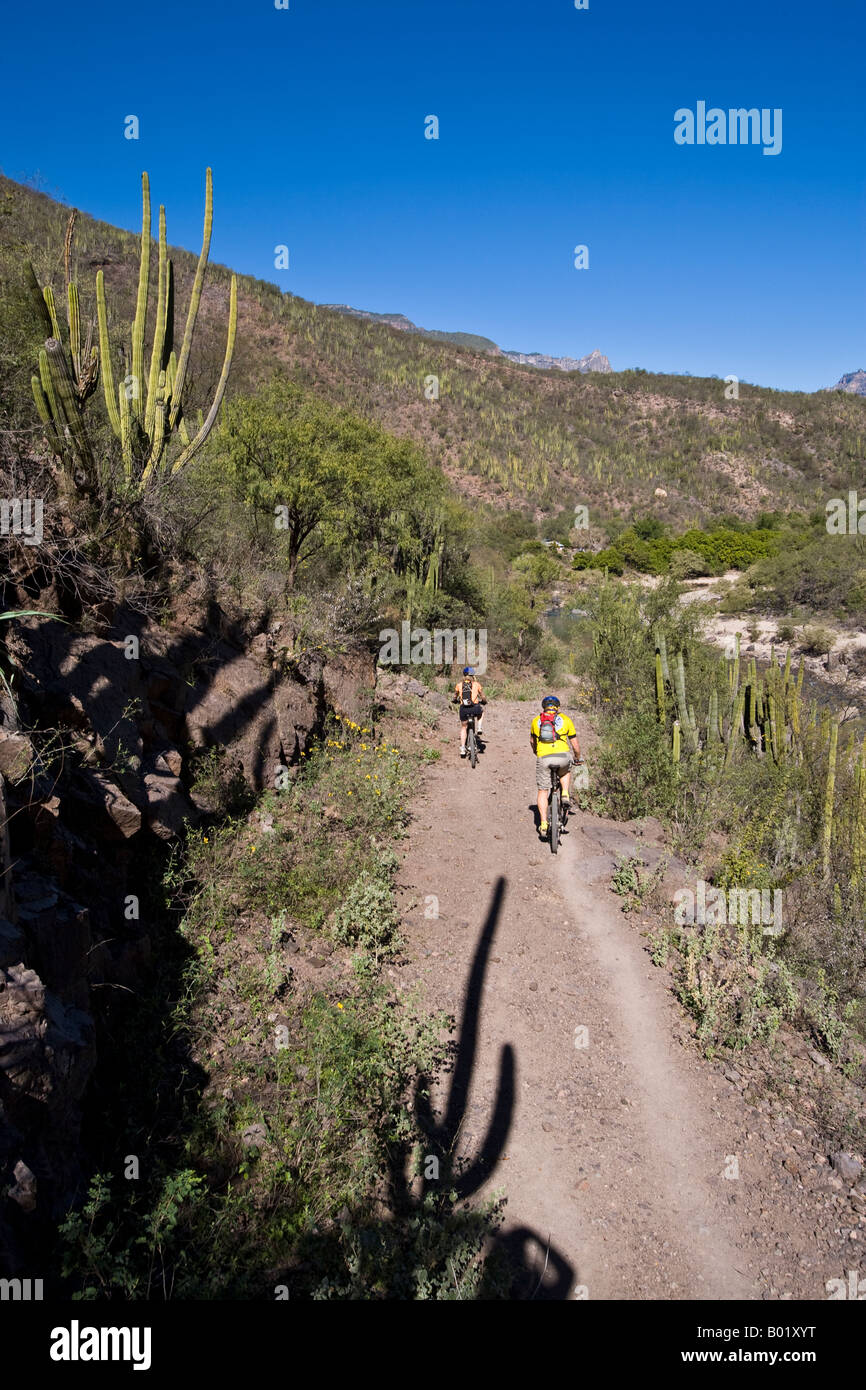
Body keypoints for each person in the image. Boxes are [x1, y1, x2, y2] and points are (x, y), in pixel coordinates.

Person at [530, 695, 582, 837]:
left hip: (544, 758)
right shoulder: (566, 720)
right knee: (565, 772)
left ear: (544, 707)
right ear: (557, 707)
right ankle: (564, 793)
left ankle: (544, 824)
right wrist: (577, 758)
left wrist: (538, 753)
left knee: (542, 791)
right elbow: (575, 745)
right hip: (563, 757)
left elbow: (532, 742)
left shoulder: (536, 721)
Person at [452, 666, 487, 756]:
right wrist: (484, 701)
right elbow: (482, 696)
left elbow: (455, 696)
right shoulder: (476, 684)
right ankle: (479, 727)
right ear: (473, 676)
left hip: (464, 709)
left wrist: (455, 700)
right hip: (475, 708)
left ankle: (463, 748)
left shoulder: (459, 685)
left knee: (464, 727)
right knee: (481, 711)